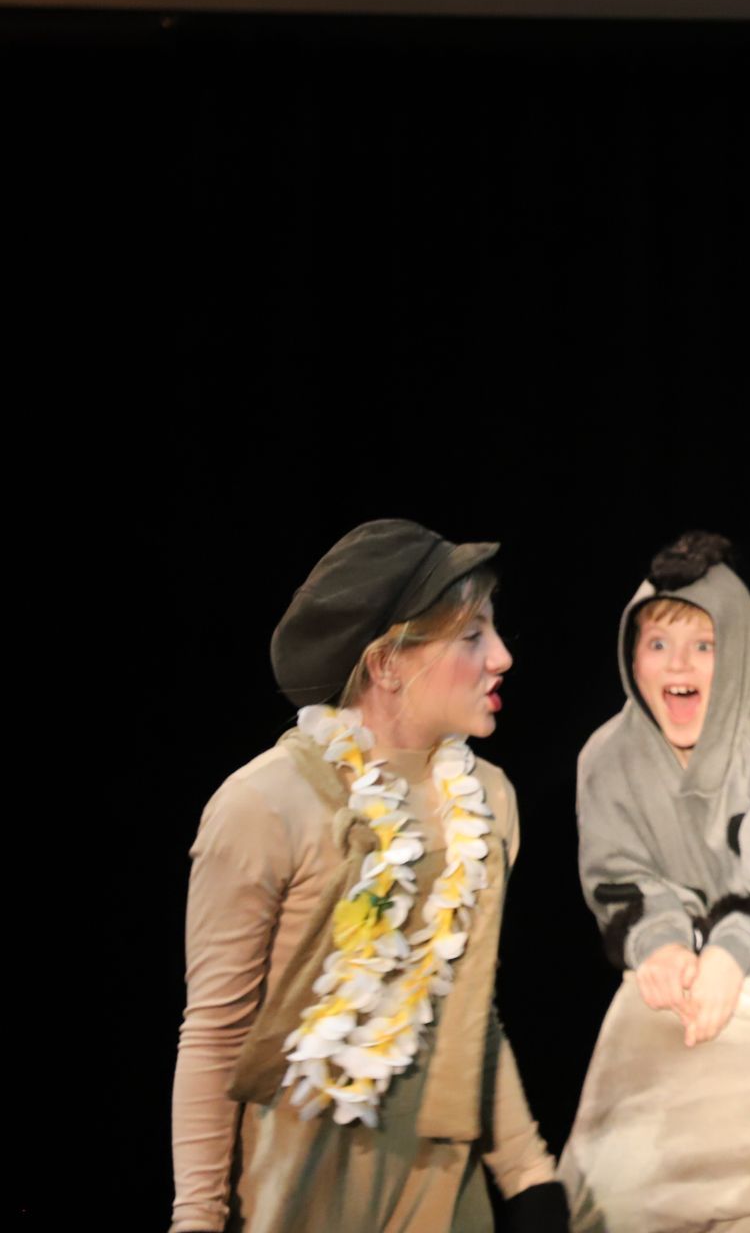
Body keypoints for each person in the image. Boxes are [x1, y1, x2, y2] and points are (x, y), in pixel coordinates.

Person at [171, 520, 563, 1232]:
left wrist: (528, 1171)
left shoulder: (491, 803)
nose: (502, 656)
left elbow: (469, 1007)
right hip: (293, 1197)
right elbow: (215, 1034)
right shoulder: (265, 805)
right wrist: (196, 1218)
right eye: (471, 636)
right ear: (388, 664)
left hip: (441, 1197)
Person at [576, 532, 750, 1047]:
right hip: (679, 995)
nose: (678, 664)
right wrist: (661, 943)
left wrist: (733, 949)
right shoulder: (609, 758)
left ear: (738, 655)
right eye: (658, 644)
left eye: (704, 646)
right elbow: (618, 876)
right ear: (632, 657)